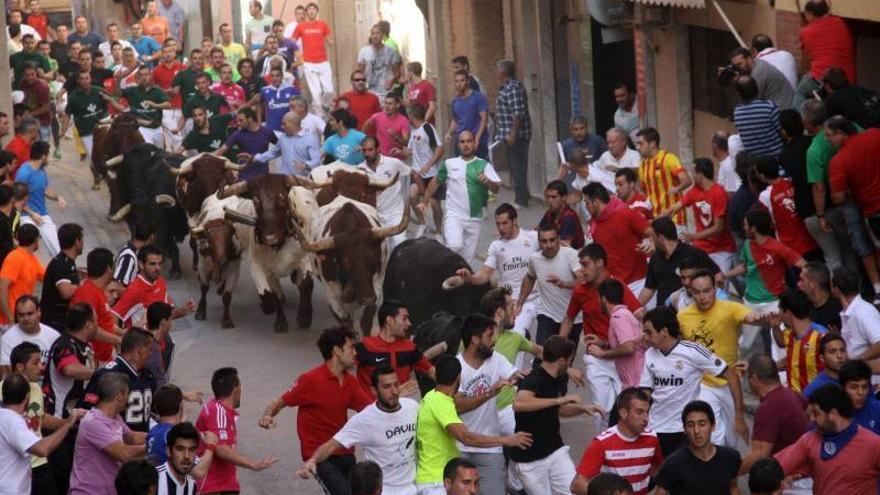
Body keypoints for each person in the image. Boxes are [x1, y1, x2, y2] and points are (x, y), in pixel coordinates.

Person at [259, 327, 369, 494]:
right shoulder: (309, 380)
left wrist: (394, 400)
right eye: (351, 347)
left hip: (346, 454)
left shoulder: (350, 382)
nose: (355, 352)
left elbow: (371, 411)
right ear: (337, 351)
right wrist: (267, 416)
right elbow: (278, 403)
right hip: (321, 459)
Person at [415, 355, 532, 494]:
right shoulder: (441, 403)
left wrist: (491, 393)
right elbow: (466, 437)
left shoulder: (431, 397)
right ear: (459, 377)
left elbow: (464, 406)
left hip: (434, 480)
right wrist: (507, 440)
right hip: (435, 484)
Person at [297, 365, 419, 495]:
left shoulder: (412, 407)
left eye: (396, 385)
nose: (394, 391)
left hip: (413, 487)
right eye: (386, 387)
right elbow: (332, 445)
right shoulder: (364, 419)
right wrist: (313, 460)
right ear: (374, 390)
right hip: (384, 490)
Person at [639, 306, 741, 456]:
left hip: (683, 431)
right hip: (655, 428)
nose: (645, 337)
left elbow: (730, 374)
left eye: (649, 332)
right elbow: (645, 392)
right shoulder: (649, 354)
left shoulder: (693, 351)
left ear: (664, 332)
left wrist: (738, 415)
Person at [511, 336, 603, 495]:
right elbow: (519, 404)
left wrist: (583, 408)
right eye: (569, 360)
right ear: (561, 360)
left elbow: (558, 409)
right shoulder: (533, 378)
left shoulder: (557, 378)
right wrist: (559, 400)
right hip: (530, 460)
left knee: (574, 491)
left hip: (555, 450)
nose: (570, 364)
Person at [561, 245, 642, 413]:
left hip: (621, 357)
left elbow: (639, 313)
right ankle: (604, 439)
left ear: (599, 263)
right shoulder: (580, 291)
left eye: (585, 264)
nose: (581, 270)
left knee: (625, 408)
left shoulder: (617, 286)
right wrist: (559, 349)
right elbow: (568, 320)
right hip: (596, 359)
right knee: (602, 409)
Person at [452, 314, 524, 494]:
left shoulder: (496, 359)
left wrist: (521, 377)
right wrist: (490, 393)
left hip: (490, 449)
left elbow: (513, 374)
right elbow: (458, 405)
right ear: (475, 339)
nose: (494, 341)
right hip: (459, 448)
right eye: (490, 336)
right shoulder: (456, 366)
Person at [724, 210, 806, 355]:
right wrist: (725, 275)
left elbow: (802, 263)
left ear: (753, 228)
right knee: (745, 346)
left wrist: (805, 283)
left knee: (779, 349)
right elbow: (744, 266)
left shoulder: (778, 248)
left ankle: (781, 377)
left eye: (745, 225)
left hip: (774, 304)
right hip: (750, 303)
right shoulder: (747, 245)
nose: (743, 228)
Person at [457, 203, 539, 347]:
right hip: (509, 303)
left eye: (504, 223)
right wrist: (470, 277)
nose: (501, 228)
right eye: (498, 224)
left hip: (533, 300)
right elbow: (484, 275)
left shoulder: (533, 238)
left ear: (514, 221)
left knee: (516, 334)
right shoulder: (496, 246)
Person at [775, 383, 880, 494]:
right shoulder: (809, 441)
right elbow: (772, 468)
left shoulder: (873, 444)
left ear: (833, 414)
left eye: (816, 413)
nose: (811, 419)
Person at [423, 131, 500, 266]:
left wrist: (488, 181)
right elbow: (435, 182)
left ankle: (455, 281)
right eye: (462, 142)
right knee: (454, 245)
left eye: (469, 141)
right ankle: (441, 270)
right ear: (458, 144)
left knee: (466, 261)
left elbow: (496, 189)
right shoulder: (449, 164)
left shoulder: (483, 165)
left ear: (474, 143)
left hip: (475, 218)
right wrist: (424, 201)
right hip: (454, 215)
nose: (466, 145)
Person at [197, 367, 278, 493]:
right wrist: (253, 464)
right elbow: (220, 448)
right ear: (236, 390)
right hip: (213, 487)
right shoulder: (218, 412)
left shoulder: (218, 410)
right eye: (240, 387)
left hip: (224, 485)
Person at [0, 373, 82, 495]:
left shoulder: (5, 416)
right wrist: (68, 424)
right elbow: (42, 449)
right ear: (27, 397)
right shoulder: (12, 421)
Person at [68, 373, 147, 495]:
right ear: (119, 396)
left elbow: (131, 437)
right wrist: (151, 445)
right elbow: (123, 454)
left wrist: (160, 434)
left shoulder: (115, 418)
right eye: (127, 393)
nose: (128, 398)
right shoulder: (94, 423)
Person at [572, 388, 662, 495]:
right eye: (639, 412)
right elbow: (576, 485)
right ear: (623, 413)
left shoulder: (652, 438)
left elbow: (658, 468)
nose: (646, 418)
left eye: (647, 412)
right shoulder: (602, 443)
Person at [739, 355, 811, 487]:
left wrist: (729, 472)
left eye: (748, 377)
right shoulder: (790, 393)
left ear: (754, 379)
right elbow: (809, 414)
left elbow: (759, 455)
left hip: (791, 482)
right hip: (804, 474)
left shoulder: (769, 407)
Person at [79, 328, 158, 434]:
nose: (151, 354)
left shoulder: (147, 374)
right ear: (140, 350)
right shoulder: (106, 374)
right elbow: (86, 413)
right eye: (150, 349)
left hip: (140, 442)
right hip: (111, 443)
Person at [516, 226, 582, 352]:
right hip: (547, 314)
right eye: (544, 241)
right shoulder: (535, 259)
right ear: (539, 242)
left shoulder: (571, 255)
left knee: (563, 361)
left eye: (552, 240)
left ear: (558, 239)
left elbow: (583, 281)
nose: (549, 245)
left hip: (573, 318)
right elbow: (530, 277)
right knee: (544, 354)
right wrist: (520, 304)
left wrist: (564, 284)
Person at [654, 400, 742, 495]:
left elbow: (733, 487)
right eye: (691, 425)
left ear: (713, 426)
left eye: (702, 424)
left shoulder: (730, 457)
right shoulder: (673, 464)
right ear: (684, 429)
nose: (696, 431)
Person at [665, 158, 736, 273]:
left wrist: (694, 237)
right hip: (701, 248)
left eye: (693, 172)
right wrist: (664, 216)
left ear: (700, 174)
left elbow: (718, 228)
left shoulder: (719, 193)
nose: (691, 175)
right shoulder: (694, 191)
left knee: (719, 287)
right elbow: (677, 206)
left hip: (721, 250)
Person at [583, 182, 652, 295]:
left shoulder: (625, 213)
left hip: (638, 283)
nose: (586, 207)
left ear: (596, 202)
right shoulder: (593, 226)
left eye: (587, 203)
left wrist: (651, 245)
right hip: (614, 287)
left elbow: (651, 231)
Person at [355, 300, 435, 397]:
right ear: (390, 320)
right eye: (404, 319)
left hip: (400, 408)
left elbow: (432, 372)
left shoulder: (410, 348)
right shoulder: (365, 346)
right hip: (371, 410)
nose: (409, 323)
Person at [638, 216, 719, 307]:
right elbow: (649, 288)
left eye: (652, 237)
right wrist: (635, 309)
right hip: (663, 313)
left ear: (660, 238)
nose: (651, 240)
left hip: (691, 311)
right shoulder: (655, 258)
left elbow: (718, 276)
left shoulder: (694, 253)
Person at [755, 156, 822, 263]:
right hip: (812, 239)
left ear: (762, 176)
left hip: (791, 248)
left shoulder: (764, 196)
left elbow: (768, 222)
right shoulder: (791, 182)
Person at [111, 245, 195, 327]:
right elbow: (113, 317)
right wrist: (125, 336)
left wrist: (183, 311)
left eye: (160, 263)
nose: (157, 268)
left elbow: (165, 315)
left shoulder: (159, 281)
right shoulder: (135, 290)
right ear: (141, 264)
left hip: (159, 338)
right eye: (152, 264)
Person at [795, 0, 856, 108]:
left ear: (809, 14)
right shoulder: (841, 22)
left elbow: (807, 58)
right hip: (848, 78)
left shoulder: (805, 32)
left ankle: (800, 121)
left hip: (822, 77)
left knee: (800, 93)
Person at [827, 117, 880, 239]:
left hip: (874, 210)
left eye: (829, 135)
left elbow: (838, 198)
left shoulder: (838, 161)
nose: (827, 140)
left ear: (840, 133)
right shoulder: (875, 134)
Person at [70, 248, 125, 364]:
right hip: (92, 361)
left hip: (105, 357)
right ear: (109, 269)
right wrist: (117, 340)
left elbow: (104, 322)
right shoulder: (87, 293)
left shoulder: (97, 291)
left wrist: (122, 332)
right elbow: (88, 327)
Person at [770, 289, 827, 394]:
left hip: (814, 403)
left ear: (787, 312)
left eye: (780, 310)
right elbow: (781, 343)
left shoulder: (821, 336)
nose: (779, 314)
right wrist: (775, 327)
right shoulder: (791, 334)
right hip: (795, 401)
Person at [493, 59, 532, 207]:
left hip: (517, 136)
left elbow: (518, 113)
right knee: (514, 166)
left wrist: (513, 133)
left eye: (497, 69)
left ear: (503, 72)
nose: (496, 72)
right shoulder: (505, 87)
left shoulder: (513, 88)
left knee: (518, 166)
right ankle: (521, 195)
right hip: (508, 135)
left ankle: (522, 200)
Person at [636, 128, 691, 225]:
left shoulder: (669, 158)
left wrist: (677, 188)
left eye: (641, 144)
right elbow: (644, 190)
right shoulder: (642, 165)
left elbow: (687, 180)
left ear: (652, 144)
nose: (637, 147)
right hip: (655, 219)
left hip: (674, 218)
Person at [405, 103, 444, 234]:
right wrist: (400, 149)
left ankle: (439, 231)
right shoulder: (413, 131)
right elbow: (410, 151)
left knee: (434, 205)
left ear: (411, 116)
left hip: (431, 174)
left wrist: (428, 165)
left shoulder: (428, 128)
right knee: (412, 196)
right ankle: (423, 223)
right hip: (417, 173)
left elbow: (440, 149)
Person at [293, 2, 335, 115]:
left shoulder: (322, 24)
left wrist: (330, 42)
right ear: (306, 12)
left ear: (317, 11)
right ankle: (320, 118)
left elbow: (328, 38)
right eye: (309, 9)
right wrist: (297, 56)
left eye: (314, 9)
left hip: (323, 62)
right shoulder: (301, 26)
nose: (311, 11)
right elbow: (292, 41)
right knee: (316, 94)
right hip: (308, 63)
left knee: (329, 90)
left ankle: (325, 105)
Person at [0, 295, 59, 374]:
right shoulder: (8, 338)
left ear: (39, 312)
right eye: (21, 315)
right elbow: (7, 371)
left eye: (30, 314)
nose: (25, 319)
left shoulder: (54, 335)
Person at [214, 108, 278, 180]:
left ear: (250, 119)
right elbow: (223, 149)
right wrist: (207, 156)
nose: (238, 123)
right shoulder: (237, 135)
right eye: (237, 121)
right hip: (244, 178)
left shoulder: (267, 132)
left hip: (263, 177)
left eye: (241, 120)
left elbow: (280, 147)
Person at [156, 422, 218, 494]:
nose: (186, 456)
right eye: (180, 449)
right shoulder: (155, 480)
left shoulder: (192, 485)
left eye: (191, 450)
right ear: (168, 451)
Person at [64, 70, 111, 166]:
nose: (85, 81)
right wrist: (63, 130)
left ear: (90, 79)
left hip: (102, 127)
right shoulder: (73, 97)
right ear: (78, 81)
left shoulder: (99, 91)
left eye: (87, 78)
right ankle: (97, 175)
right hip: (86, 132)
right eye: (82, 79)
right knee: (94, 157)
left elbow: (111, 101)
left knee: (107, 154)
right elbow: (67, 114)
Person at [0, 224, 44, 325]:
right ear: (36, 240)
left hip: (21, 319)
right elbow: (2, 289)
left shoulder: (31, 259)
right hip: (8, 323)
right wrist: (10, 318)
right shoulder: (14, 258)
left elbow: (47, 276)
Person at [253, 111, 320, 176]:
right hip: (286, 181)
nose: (282, 127)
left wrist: (305, 166)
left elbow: (317, 160)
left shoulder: (310, 139)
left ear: (294, 124)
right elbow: (273, 153)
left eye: (284, 124)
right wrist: (255, 158)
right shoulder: (282, 138)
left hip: (304, 182)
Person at [727, 47, 794, 110]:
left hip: (784, 110)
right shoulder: (757, 63)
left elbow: (750, 103)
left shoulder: (758, 73)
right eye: (735, 66)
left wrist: (735, 83)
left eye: (740, 64)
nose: (738, 68)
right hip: (779, 107)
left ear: (749, 59)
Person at [732, 75, 784, 158]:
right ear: (757, 89)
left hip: (758, 165)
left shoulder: (737, 113)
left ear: (738, 94)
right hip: (778, 160)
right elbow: (782, 132)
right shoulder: (769, 107)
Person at [446, 71, 489, 159]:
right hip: (461, 142)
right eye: (456, 81)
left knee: (479, 171)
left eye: (462, 81)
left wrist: (477, 138)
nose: (459, 84)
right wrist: (449, 132)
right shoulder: (455, 101)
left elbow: (484, 119)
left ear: (467, 81)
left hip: (477, 142)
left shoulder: (478, 97)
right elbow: (455, 120)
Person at [357, 24, 400, 98]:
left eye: (377, 33)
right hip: (369, 91)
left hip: (386, 93)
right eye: (373, 33)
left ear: (382, 35)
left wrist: (392, 81)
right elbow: (360, 72)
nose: (375, 36)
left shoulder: (391, 52)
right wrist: (362, 86)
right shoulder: (364, 51)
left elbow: (397, 72)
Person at [839, 359, 880, 435]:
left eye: (864, 387)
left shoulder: (877, 409)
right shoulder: (833, 414)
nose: (860, 392)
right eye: (854, 387)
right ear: (843, 388)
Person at [363, 93, 410, 161]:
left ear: (397, 105)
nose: (387, 106)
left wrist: (396, 137)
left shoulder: (403, 121)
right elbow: (364, 131)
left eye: (390, 104)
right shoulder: (377, 116)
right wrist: (366, 125)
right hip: (380, 158)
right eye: (386, 103)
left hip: (397, 159)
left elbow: (406, 143)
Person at [539, 180, 584, 249]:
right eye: (548, 197)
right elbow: (537, 231)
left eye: (553, 197)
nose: (549, 201)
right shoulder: (550, 213)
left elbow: (565, 247)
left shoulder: (569, 217)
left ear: (564, 197)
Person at [802, 333, 847, 399]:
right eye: (833, 352)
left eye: (842, 350)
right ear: (822, 358)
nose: (839, 356)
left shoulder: (856, 380)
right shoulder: (814, 389)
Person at [18, 64, 51, 143]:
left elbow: (46, 108)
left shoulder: (42, 87)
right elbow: (26, 97)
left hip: (43, 121)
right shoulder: (23, 83)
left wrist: (28, 115)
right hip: (30, 120)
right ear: (23, 75)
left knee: (42, 147)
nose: (30, 77)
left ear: (36, 73)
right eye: (27, 75)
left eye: (32, 74)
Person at [259, 66, 299, 133]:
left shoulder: (291, 89)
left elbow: (298, 106)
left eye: (277, 76)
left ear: (282, 76)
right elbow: (260, 105)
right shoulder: (264, 90)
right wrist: (259, 121)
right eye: (272, 76)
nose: (274, 78)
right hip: (271, 130)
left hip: (288, 129)